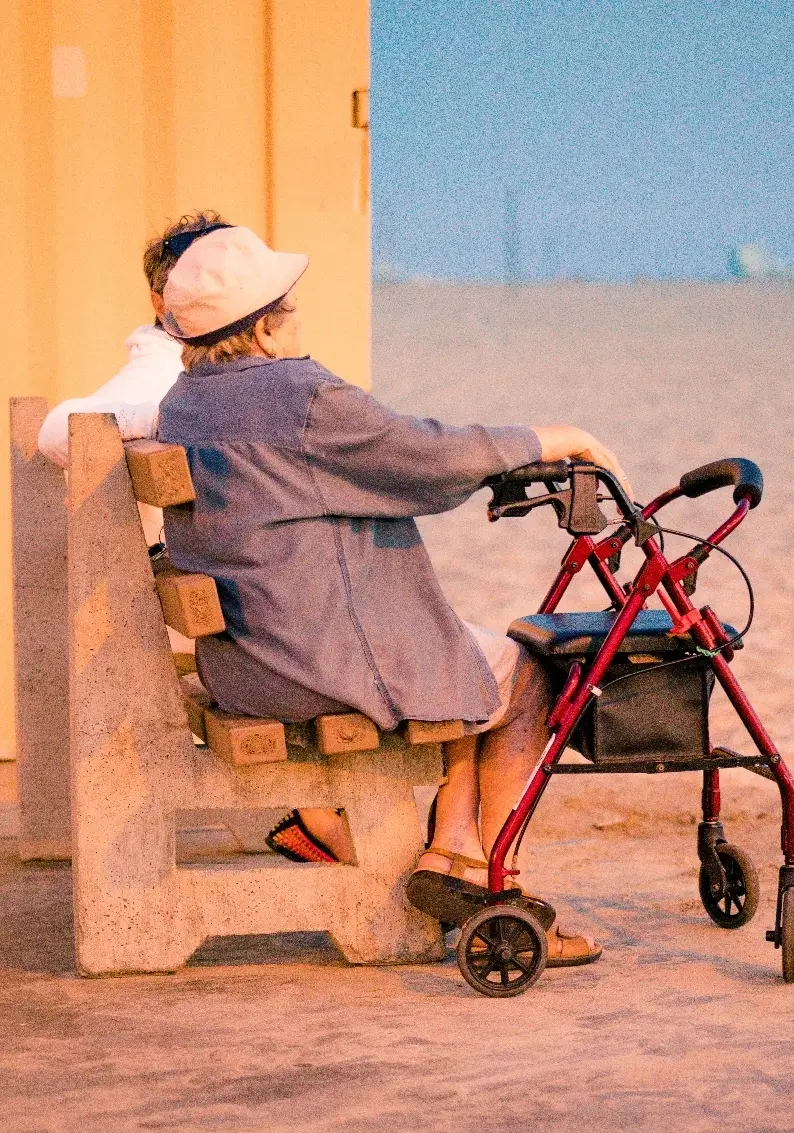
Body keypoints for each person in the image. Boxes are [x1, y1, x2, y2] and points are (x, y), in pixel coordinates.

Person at [157, 224, 632, 967]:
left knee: (474, 659)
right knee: (530, 669)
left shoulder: (187, 401)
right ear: (268, 323)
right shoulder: (297, 396)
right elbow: (424, 458)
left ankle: (450, 851)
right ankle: (493, 881)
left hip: (245, 659)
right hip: (311, 665)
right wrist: (551, 437)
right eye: (290, 305)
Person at [37, 211, 230, 548]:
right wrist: (169, 415)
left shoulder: (212, 369)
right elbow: (56, 430)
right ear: (160, 304)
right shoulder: (162, 371)